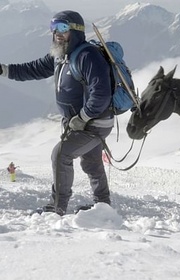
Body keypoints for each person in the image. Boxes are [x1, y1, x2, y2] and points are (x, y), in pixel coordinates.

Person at [0, 11, 114, 215]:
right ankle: (103, 205)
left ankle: (57, 206)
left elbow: (101, 93)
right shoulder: (61, 55)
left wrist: (84, 117)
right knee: (91, 162)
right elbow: (33, 69)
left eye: (63, 28)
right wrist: (4, 70)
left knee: (61, 154)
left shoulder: (88, 56)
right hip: (78, 122)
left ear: (76, 31)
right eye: (54, 28)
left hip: (94, 122)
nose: (57, 33)